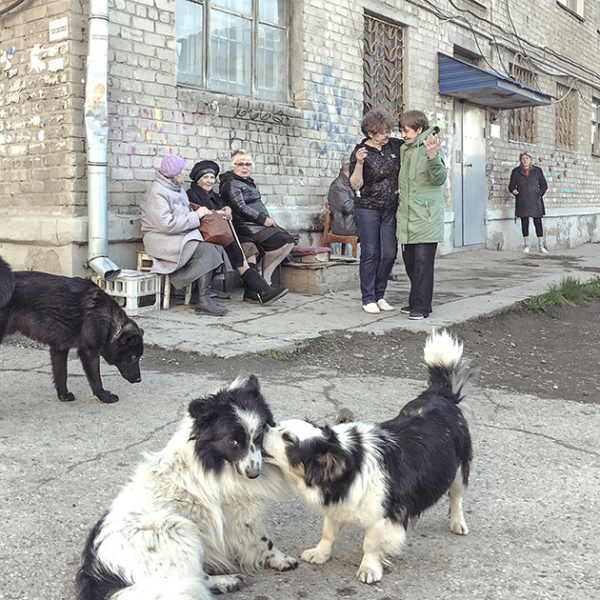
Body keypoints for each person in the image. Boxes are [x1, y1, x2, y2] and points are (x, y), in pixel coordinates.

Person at [140, 153, 232, 316]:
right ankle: (202, 300)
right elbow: (166, 225)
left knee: (216, 246)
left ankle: (201, 295)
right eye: (182, 171)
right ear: (173, 174)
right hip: (161, 240)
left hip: (179, 235)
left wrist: (205, 213)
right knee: (208, 250)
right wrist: (196, 216)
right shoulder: (157, 193)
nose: (184, 173)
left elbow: (184, 213)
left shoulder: (178, 189)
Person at [187, 160, 288, 305]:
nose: (209, 181)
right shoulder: (191, 194)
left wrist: (228, 211)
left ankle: (251, 292)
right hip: (206, 236)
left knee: (249, 244)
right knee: (234, 248)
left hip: (221, 234)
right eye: (205, 177)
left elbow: (224, 216)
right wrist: (216, 212)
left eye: (211, 177)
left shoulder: (216, 197)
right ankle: (263, 289)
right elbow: (199, 216)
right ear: (198, 179)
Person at [349, 108, 403, 314]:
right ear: (370, 133)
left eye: (388, 130)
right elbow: (355, 184)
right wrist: (360, 163)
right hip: (368, 209)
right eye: (382, 132)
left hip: (390, 208)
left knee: (389, 253)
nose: (386, 135)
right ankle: (368, 297)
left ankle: (380, 295)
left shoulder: (394, 146)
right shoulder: (360, 151)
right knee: (371, 252)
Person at [397, 110, 447, 321]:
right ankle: (417, 299)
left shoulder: (432, 146)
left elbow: (439, 179)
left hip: (427, 215)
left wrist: (433, 157)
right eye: (400, 131)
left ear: (419, 129)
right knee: (410, 262)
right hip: (408, 215)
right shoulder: (405, 150)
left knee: (423, 263)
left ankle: (422, 306)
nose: (402, 135)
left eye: (406, 131)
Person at [219, 150, 295, 285]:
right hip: (246, 226)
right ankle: (259, 271)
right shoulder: (231, 183)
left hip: (257, 224)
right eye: (240, 164)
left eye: (248, 164)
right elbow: (240, 207)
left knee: (290, 241)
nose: (244, 167)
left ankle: (265, 273)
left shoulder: (246, 182)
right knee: (282, 241)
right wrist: (263, 219)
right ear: (233, 166)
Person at [508, 152, 549, 254]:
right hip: (522, 200)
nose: (525, 160)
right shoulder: (516, 171)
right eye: (523, 159)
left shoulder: (537, 171)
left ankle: (541, 245)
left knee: (538, 222)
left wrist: (539, 193)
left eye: (527, 158)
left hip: (536, 200)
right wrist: (514, 191)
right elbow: (511, 186)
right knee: (524, 222)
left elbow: (544, 185)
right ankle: (526, 245)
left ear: (530, 160)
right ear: (520, 160)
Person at [327, 154, 358, 240]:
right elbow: (346, 207)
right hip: (345, 227)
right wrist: (360, 199)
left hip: (353, 224)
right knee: (371, 231)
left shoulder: (352, 182)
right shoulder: (337, 185)